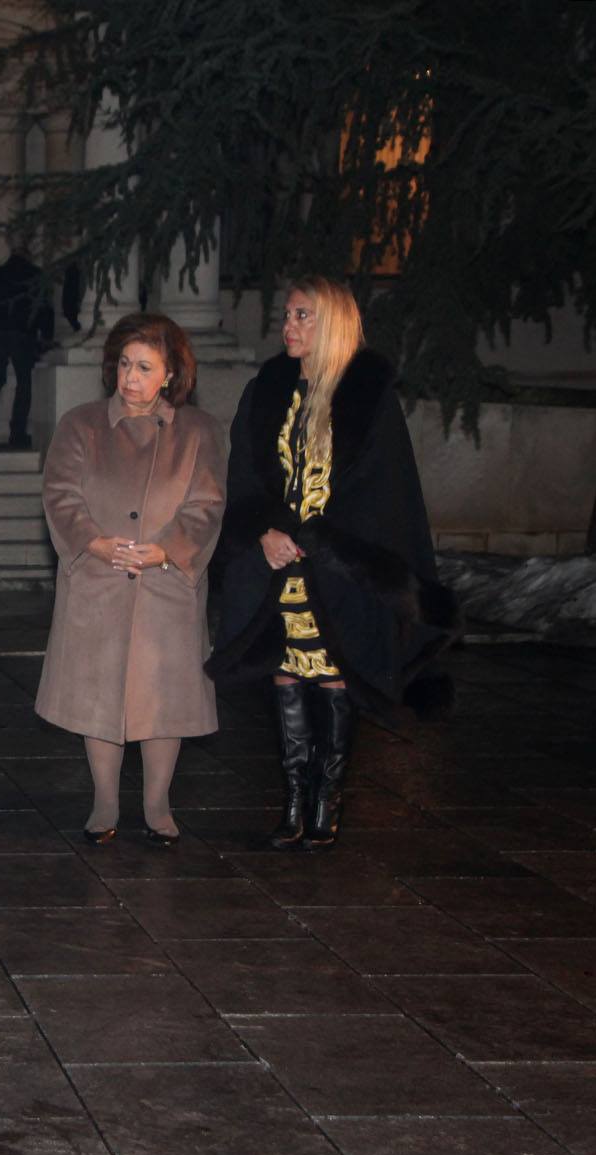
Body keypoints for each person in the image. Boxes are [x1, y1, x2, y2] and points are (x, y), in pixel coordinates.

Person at [207, 276, 457, 851]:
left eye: (303, 315)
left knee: (335, 677)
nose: (289, 326)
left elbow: (385, 495)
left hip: (338, 570)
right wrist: (265, 530)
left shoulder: (367, 401)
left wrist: (326, 542)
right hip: (278, 568)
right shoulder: (266, 392)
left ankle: (328, 799)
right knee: (286, 673)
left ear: (334, 323)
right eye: (288, 314)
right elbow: (243, 476)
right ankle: (294, 801)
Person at [35, 313, 226, 846]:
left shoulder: (199, 431)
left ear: (170, 375)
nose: (130, 378)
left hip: (167, 582)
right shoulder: (81, 424)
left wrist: (167, 550)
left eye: (144, 367)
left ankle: (158, 803)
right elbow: (60, 495)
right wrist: (95, 543)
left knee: (163, 699)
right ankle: (104, 801)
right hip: (98, 579)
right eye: (124, 364)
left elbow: (207, 505)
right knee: (99, 695)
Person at [0, 248, 54, 448]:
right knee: (24, 382)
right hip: (22, 333)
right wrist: (46, 336)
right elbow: (43, 309)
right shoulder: (36, 275)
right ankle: (18, 432)